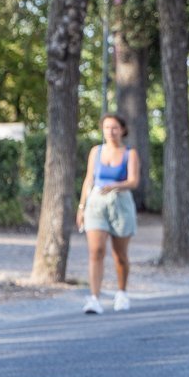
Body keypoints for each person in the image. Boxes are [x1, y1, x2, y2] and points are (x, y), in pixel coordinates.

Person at [76, 114, 140, 314]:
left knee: (119, 254)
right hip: (96, 203)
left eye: (114, 128)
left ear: (122, 130)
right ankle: (94, 297)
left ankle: (121, 292)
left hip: (120, 202)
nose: (110, 132)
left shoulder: (130, 153)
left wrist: (115, 185)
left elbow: (133, 181)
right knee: (96, 251)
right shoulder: (96, 152)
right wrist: (81, 206)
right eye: (106, 128)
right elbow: (89, 179)